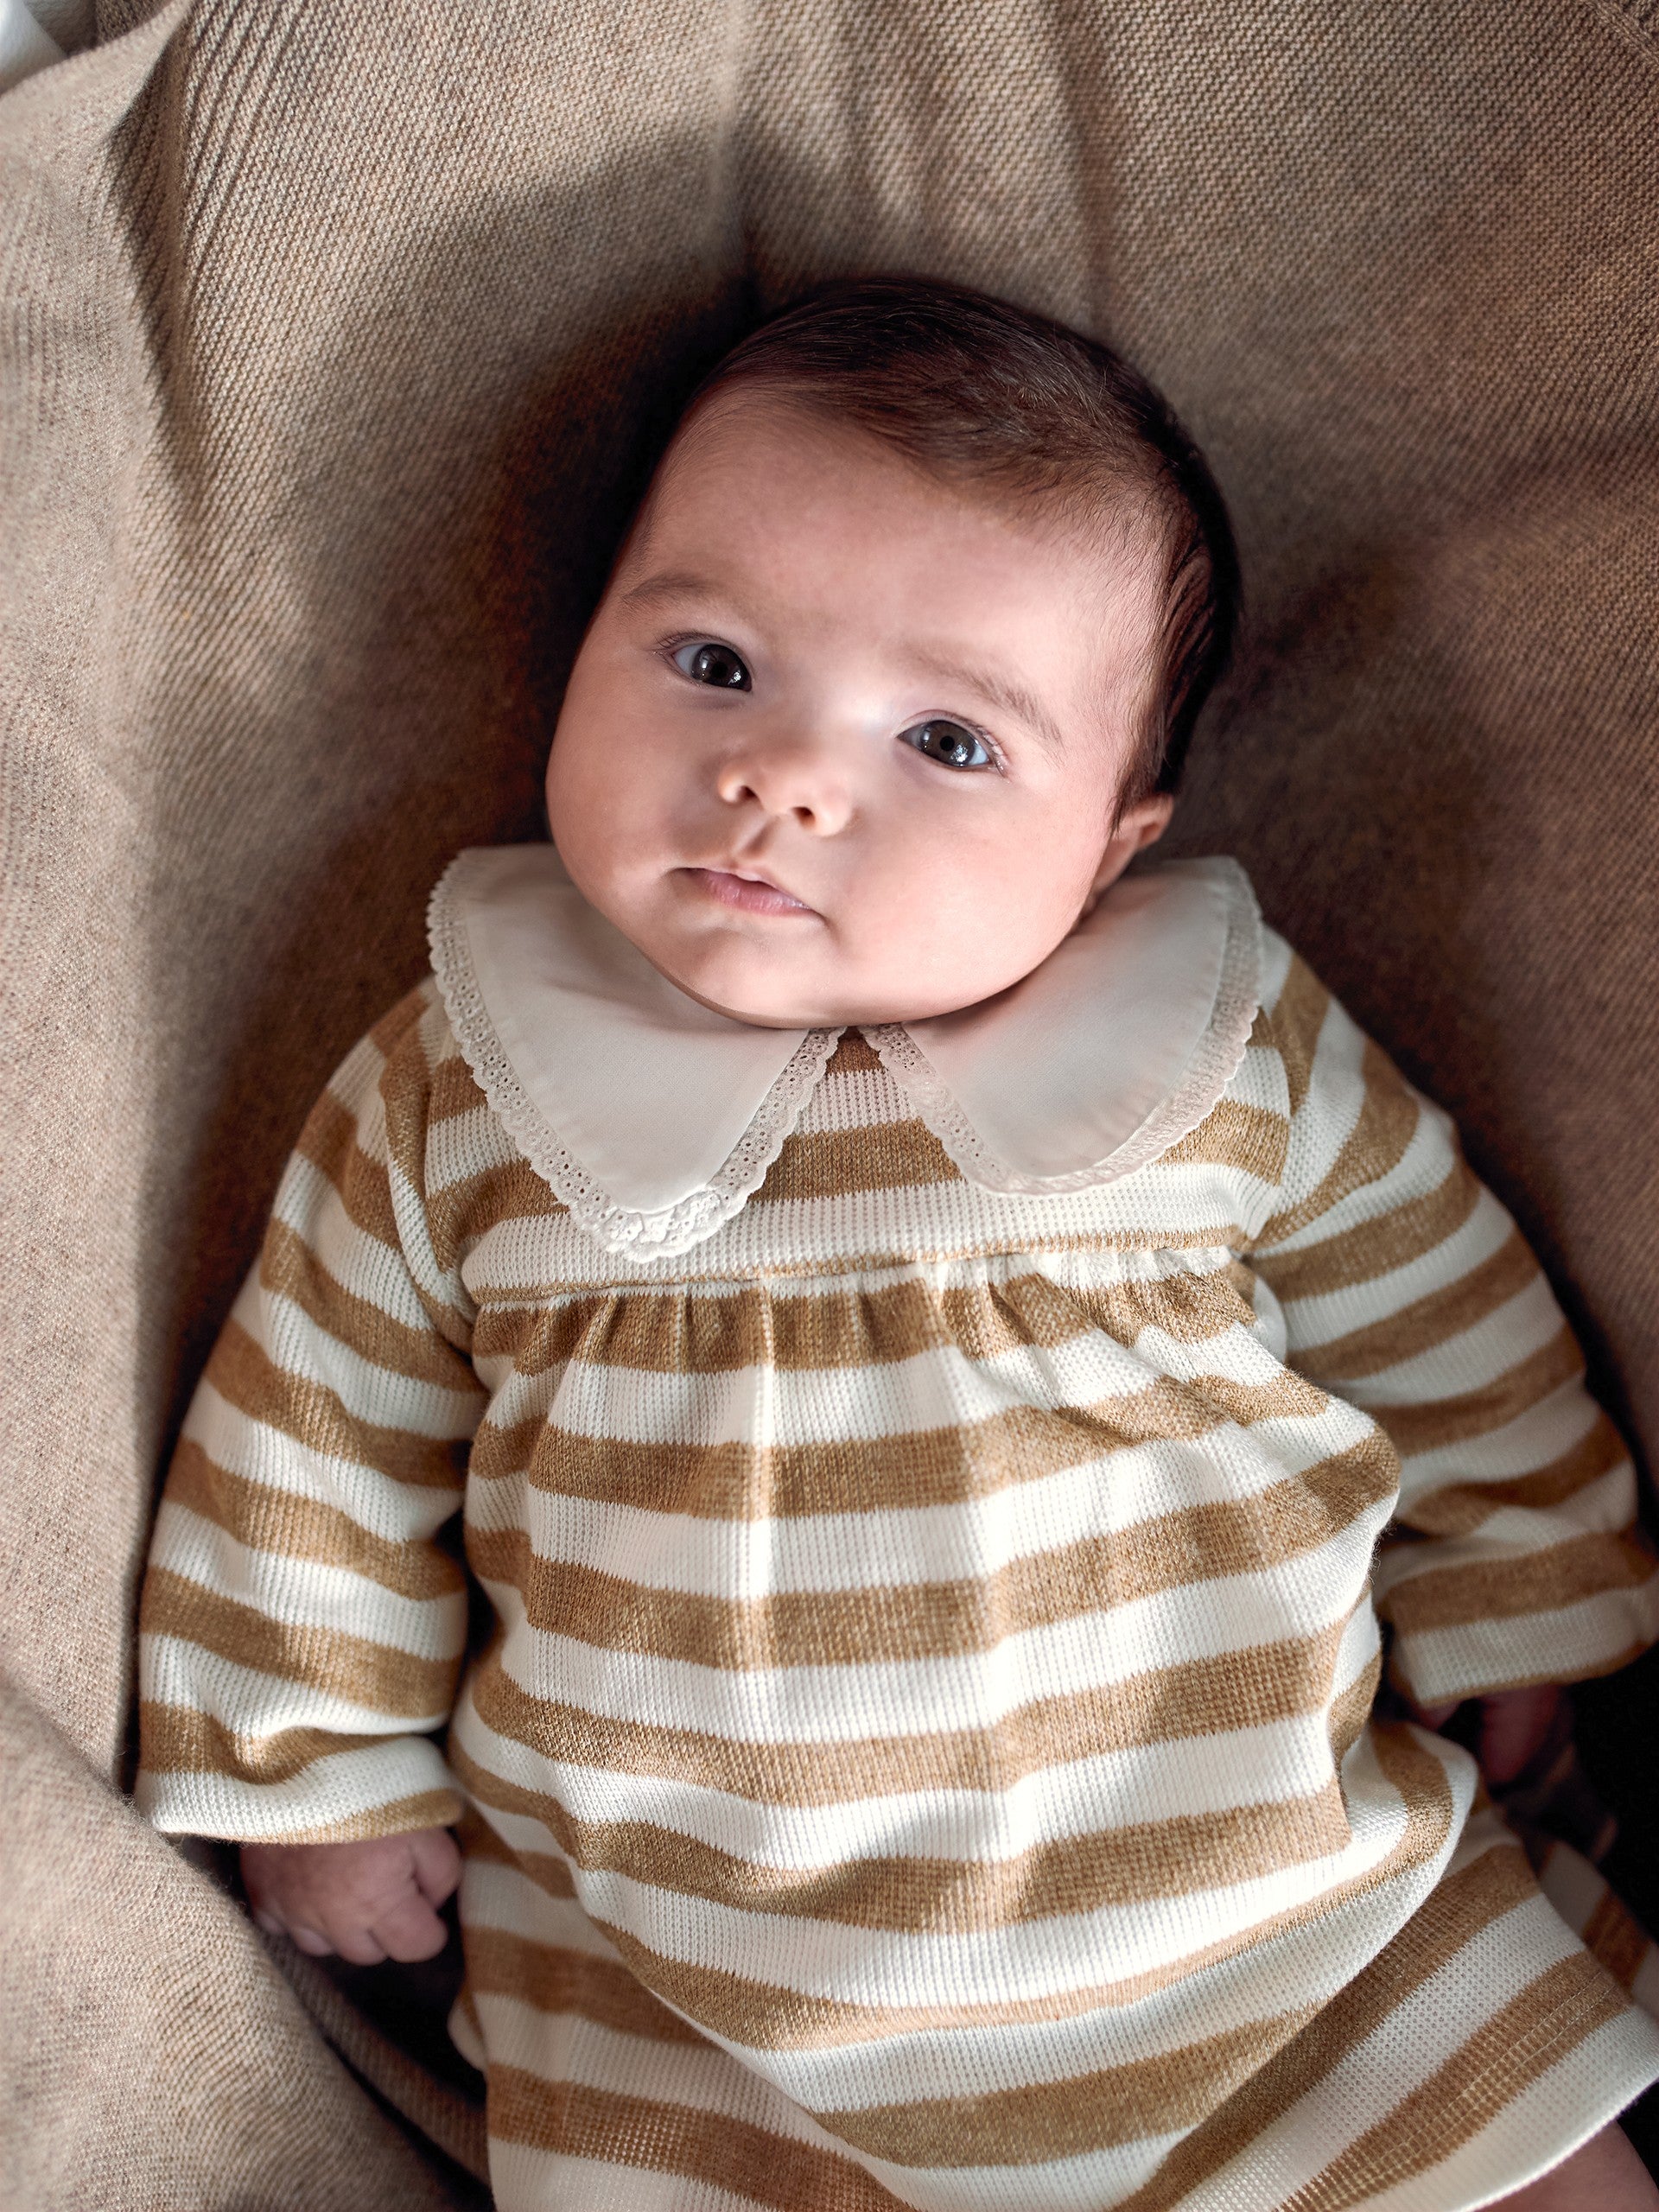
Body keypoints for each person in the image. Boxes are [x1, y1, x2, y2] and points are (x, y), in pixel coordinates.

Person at [136, 277, 1659, 2210]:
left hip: (1275, 1935)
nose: (786, 773)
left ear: (1113, 844)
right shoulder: (463, 1077)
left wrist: (1521, 1563)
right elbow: (312, 1423)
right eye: (710, 661)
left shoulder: (1209, 1045)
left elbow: (1437, 1301)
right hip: (703, 2021)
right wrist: (316, 1761)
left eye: (948, 740)